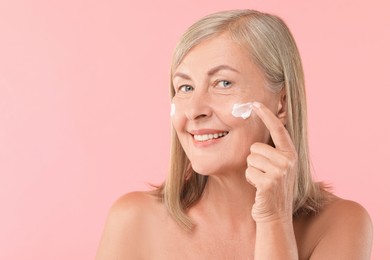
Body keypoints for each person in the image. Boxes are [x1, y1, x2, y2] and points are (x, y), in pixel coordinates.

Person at [96, 9, 373, 259]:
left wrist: (274, 220)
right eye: (185, 88)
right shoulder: (133, 220)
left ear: (282, 104)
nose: (194, 110)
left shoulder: (341, 224)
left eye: (223, 83)